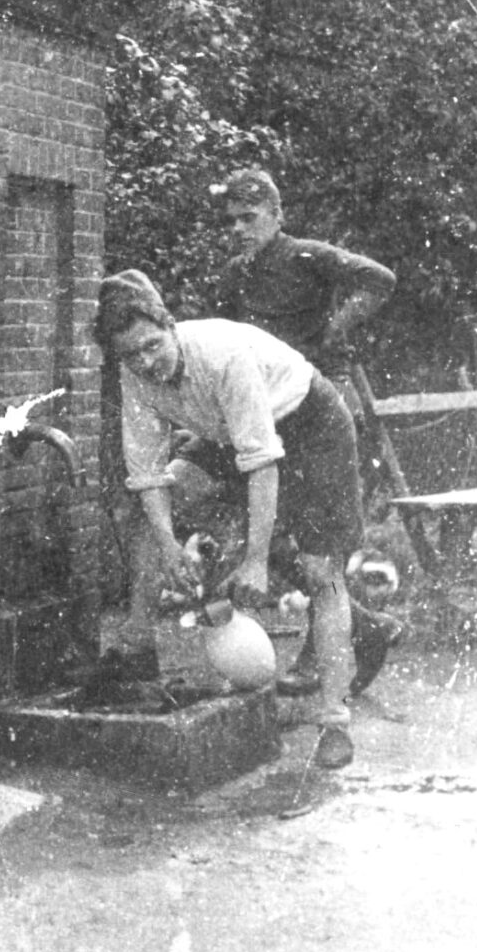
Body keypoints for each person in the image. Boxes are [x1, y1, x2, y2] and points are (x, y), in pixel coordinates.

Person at [95, 269, 364, 770]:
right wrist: (170, 546)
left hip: (310, 424)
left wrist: (257, 561)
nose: (146, 362)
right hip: (228, 434)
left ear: (170, 325)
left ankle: (334, 721)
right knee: (157, 505)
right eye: (131, 355)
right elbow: (148, 474)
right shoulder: (135, 374)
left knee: (321, 574)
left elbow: (261, 461)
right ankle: (135, 647)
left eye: (153, 345)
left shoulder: (222, 355)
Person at [214, 167, 402, 697]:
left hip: (325, 404)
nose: (240, 229)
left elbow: (379, 279)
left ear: (277, 216)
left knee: (320, 538)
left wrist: (333, 330)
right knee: (270, 532)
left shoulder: (307, 255)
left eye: (250, 218)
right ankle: (367, 625)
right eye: (232, 222)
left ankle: (322, 652)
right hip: (270, 411)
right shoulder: (234, 277)